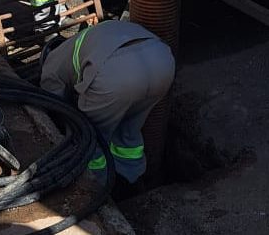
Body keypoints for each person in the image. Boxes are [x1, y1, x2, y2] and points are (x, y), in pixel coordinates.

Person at [40, 20, 175, 184]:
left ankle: (97, 184)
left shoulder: (53, 59)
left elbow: (54, 102)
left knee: (91, 137)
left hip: (116, 76)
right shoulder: (91, 36)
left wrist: (65, 124)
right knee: (129, 128)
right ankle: (132, 178)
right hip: (162, 61)